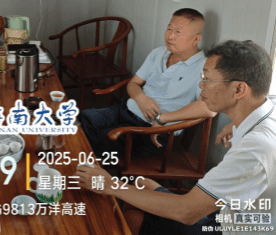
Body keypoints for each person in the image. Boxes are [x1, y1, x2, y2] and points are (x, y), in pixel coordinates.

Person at [77, 39, 276, 235]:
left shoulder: (254, 149)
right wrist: (235, 124)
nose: (201, 85)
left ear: (239, 89)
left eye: (207, 79)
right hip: (226, 210)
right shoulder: (264, 112)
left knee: (133, 217)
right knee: (143, 183)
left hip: (228, 227)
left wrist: (109, 185)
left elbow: (187, 212)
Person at [79, 8, 216, 159]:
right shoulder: (158, 53)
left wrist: (162, 118)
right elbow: (133, 83)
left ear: (195, 39)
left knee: (96, 140)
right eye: (169, 29)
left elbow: (209, 108)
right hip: (126, 110)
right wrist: (141, 99)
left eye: (178, 32)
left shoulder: (204, 67)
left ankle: (79, 166)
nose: (170, 36)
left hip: (153, 130)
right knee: (81, 119)